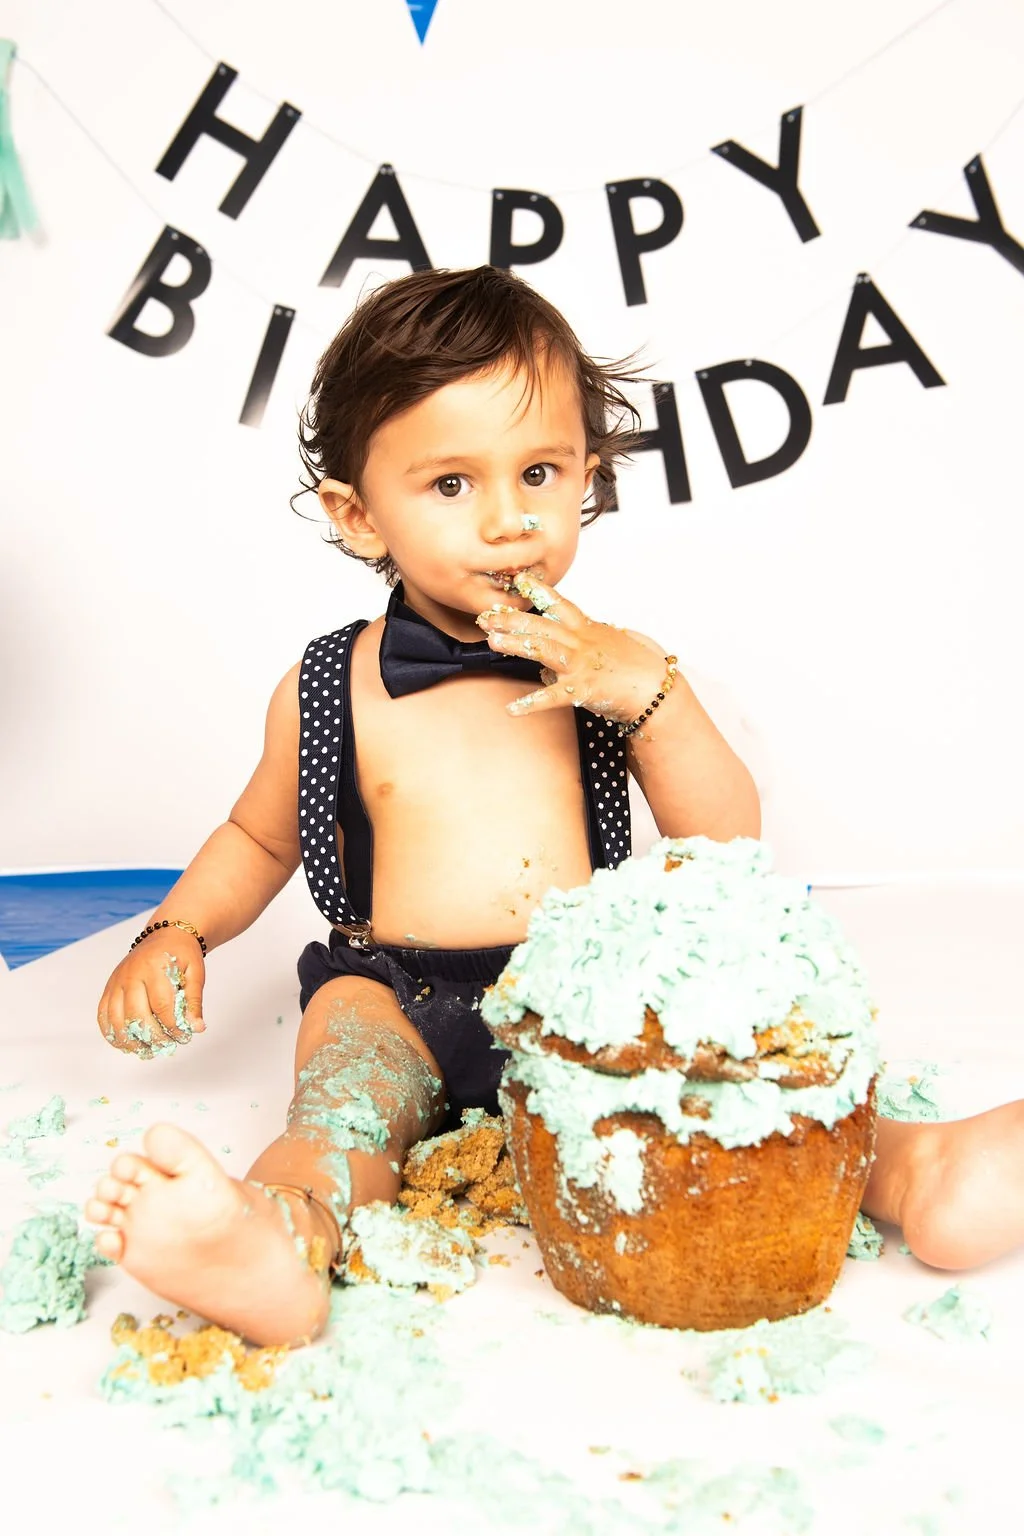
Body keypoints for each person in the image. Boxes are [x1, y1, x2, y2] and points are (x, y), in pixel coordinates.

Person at [83, 266, 1019, 1351]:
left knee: (723, 1103)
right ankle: (277, 1237)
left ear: (588, 477)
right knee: (344, 1100)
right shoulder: (333, 682)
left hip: (583, 990)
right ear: (357, 515)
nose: (508, 520)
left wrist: (651, 698)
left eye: (538, 472)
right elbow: (257, 835)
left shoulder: (610, 671)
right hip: (392, 987)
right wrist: (179, 927)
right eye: (449, 486)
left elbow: (725, 843)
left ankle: (917, 1170)